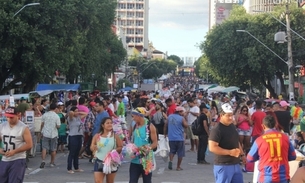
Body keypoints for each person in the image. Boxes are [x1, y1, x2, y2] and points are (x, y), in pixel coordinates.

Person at [247, 115, 296, 183]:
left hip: (265, 178)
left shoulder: (259, 140)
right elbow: (293, 156)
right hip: (283, 177)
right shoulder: (285, 138)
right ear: (276, 125)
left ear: (263, 126)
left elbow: (250, 158)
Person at [209, 103, 245, 183]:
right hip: (223, 164)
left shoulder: (232, 126)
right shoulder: (217, 129)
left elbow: (236, 141)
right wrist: (230, 152)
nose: (231, 118)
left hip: (235, 163)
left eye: (231, 115)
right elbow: (212, 147)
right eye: (228, 115)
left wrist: (242, 155)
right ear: (221, 115)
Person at [0, 107, 33, 183]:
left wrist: (15, 151)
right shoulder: (2, 126)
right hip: (5, 159)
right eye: (7, 117)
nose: (9, 119)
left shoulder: (23, 127)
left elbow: (29, 144)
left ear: (18, 115)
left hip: (18, 159)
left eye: (11, 117)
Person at [129, 107, 158, 183]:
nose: (132, 119)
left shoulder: (150, 126)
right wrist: (130, 147)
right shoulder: (135, 126)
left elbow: (155, 143)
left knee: (147, 181)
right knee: (132, 181)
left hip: (146, 160)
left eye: (133, 116)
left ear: (139, 115)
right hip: (135, 160)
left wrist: (148, 148)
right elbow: (131, 139)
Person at [90, 117, 123, 183]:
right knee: (98, 181)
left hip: (111, 162)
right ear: (103, 125)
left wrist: (114, 151)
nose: (110, 124)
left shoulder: (115, 136)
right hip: (99, 161)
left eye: (111, 123)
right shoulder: (97, 136)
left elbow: (120, 147)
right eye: (107, 123)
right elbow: (91, 147)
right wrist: (93, 147)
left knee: (110, 181)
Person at [164, 106, 188, 170]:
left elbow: (165, 125)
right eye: (182, 112)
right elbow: (186, 126)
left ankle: (171, 161)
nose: (183, 113)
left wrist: (165, 134)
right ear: (179, 112)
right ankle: (178, 166)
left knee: (172, 151)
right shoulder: (181, 118)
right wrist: (185, 118)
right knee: (180, 153)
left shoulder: (169, 117)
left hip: (171, 137)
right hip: (179, 138)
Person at [67, 107, 87, 174]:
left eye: (77, 111)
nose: (77, 112)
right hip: (73, 136)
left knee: (77, 152)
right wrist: (74, 112)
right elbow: (70, 113)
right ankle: (69, 168)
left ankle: (76, 167)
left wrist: (78, 112)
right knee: (72, 153)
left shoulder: (78, 118)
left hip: (79, 135)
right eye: (75, 111)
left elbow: (86, 114)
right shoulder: (71, 118)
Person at [40, 103, 61, 168]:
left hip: (45, 133)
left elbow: (42, 124)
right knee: (53, 149)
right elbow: (58, 126)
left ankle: (43, 160)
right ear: (55, 108)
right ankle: (52, 162)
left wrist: (41, 131)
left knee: (44, 148)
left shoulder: (45, 115)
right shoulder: (56, 116)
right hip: (53, 134)